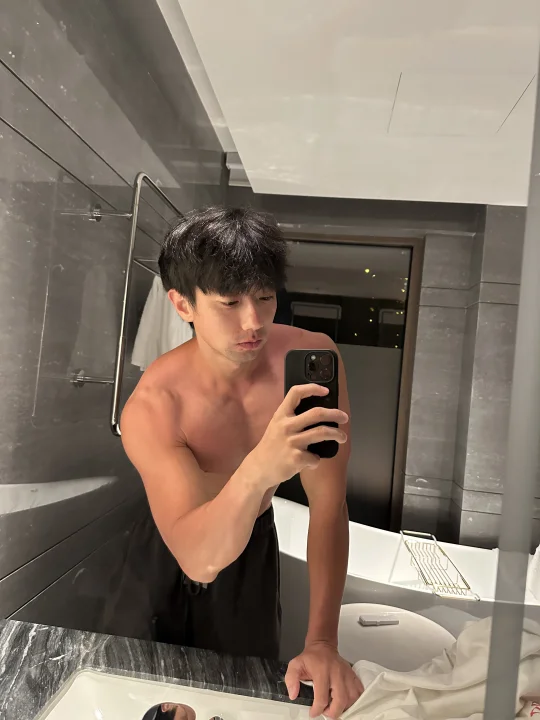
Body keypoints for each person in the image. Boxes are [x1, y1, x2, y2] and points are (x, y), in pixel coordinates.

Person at [121, 207, 363, 719]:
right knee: (150, 700)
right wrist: (261, 467)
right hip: (173, 541)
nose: (253, 322)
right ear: (182, 304)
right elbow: (198, 558)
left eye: (265, 297)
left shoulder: (313, 360)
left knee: (238, 698)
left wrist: (322, 641)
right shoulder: (156, 405)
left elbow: (329, 506)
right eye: (229, 302)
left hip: (252, 542)